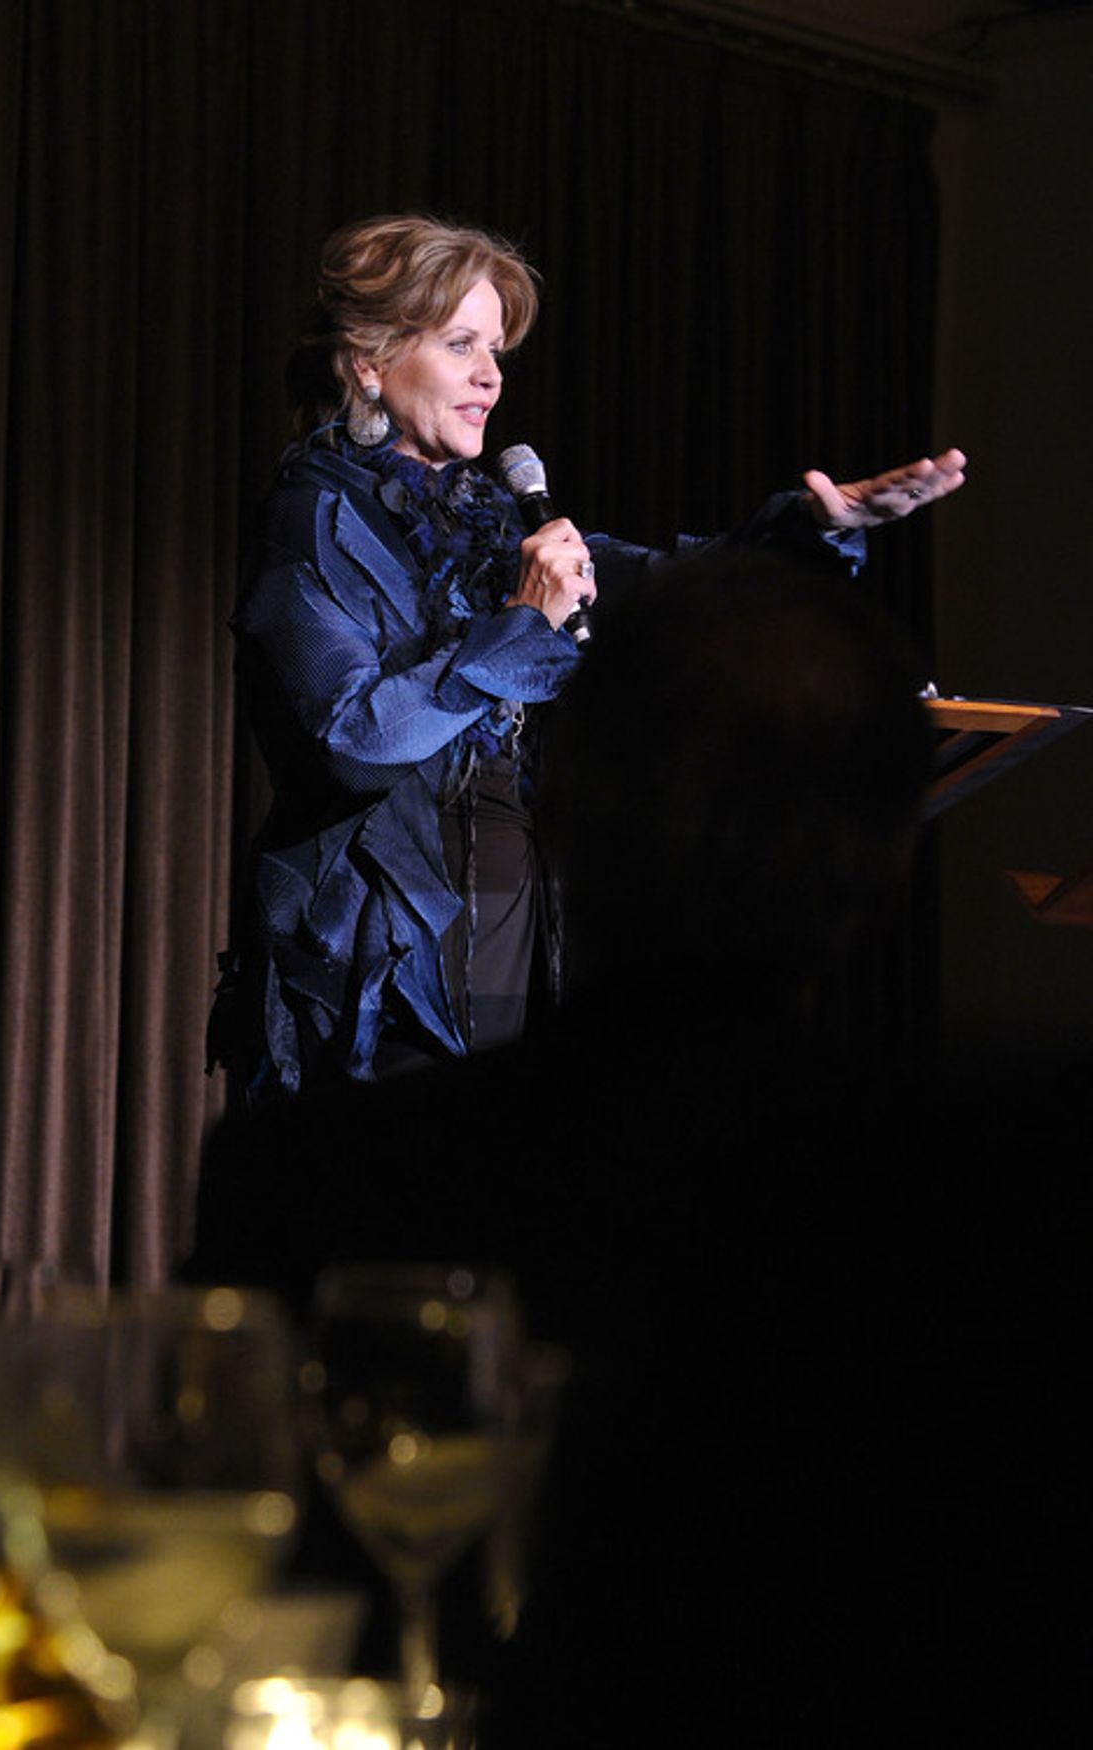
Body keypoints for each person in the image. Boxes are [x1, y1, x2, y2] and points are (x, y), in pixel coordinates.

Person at [190, 550, 1089, 1743]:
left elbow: (244, 1637)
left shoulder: (308, 1183)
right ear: (890, 867)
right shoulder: (1017, 1206)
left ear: (553, 818)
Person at [207, 212, 965, 1102]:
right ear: (368, 363)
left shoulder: (495, 520)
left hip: (527, 925)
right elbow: (352, 742)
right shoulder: (313, 519)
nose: (491, 377)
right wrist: (521, 630)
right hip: (384, 952)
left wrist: (818, 528)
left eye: (496, 350)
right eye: (462, 346)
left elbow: (671, 588)